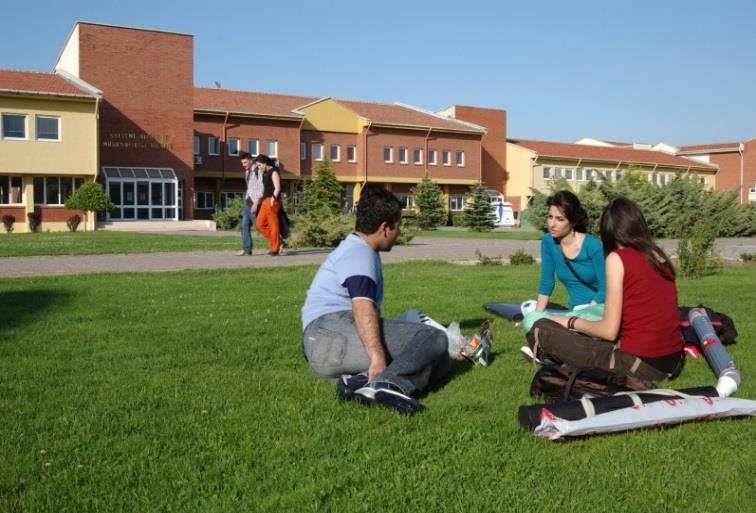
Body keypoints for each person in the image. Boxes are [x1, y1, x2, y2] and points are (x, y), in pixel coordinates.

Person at [301, 188, 450, 414]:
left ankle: (357, 382)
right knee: (433, 338)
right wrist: (378, 358)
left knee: (440, 362)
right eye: (398, 226)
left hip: (321, 346)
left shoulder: (353, 248)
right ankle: (387, 385)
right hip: (331, 334)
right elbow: (362, 306)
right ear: (384, 228)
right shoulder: (360, 254)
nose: (399, 233)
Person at [526, 197, 684, 387]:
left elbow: (608, 331)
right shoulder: (657, 255)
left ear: (608, 231)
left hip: (639, 365)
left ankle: (552, 358)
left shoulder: (618, 259)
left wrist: (570, 322)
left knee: (541, 328)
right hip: (673, 361)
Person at [535, 190, 605, 311]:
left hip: (600, 310)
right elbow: (546, 283)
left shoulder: (593, 246)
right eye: (550, 217)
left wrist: (586, 313)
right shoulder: (548, 242)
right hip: (574, 311)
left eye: (559, 219)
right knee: (536, 324)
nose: (552, 224)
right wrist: (536, 316)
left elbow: (607, 289)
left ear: (573, 221)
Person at [254, 154, 283, 256]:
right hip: (265, 200)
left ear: (265, 164)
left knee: (273, 225)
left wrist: (273, 199)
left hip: (272, 201)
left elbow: (277, 187)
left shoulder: (274, 172)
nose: (259, 167)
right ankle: (276, 241)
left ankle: (275, 249)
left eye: (259, 165)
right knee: (259, 224)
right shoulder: (265, 173)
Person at [236, 151, 263, 256]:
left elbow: (261, 188)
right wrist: (247, 199)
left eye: (245, 163)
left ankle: (278, 243)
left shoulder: (258, 171)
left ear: (251, 161)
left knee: (260, 226)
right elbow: (250, 188)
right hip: (248, 202)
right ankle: (247, 249)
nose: (243, 165)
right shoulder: (247, 172)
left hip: (255, 202)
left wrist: (256, 203)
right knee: (244, 226)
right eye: (242, 163)